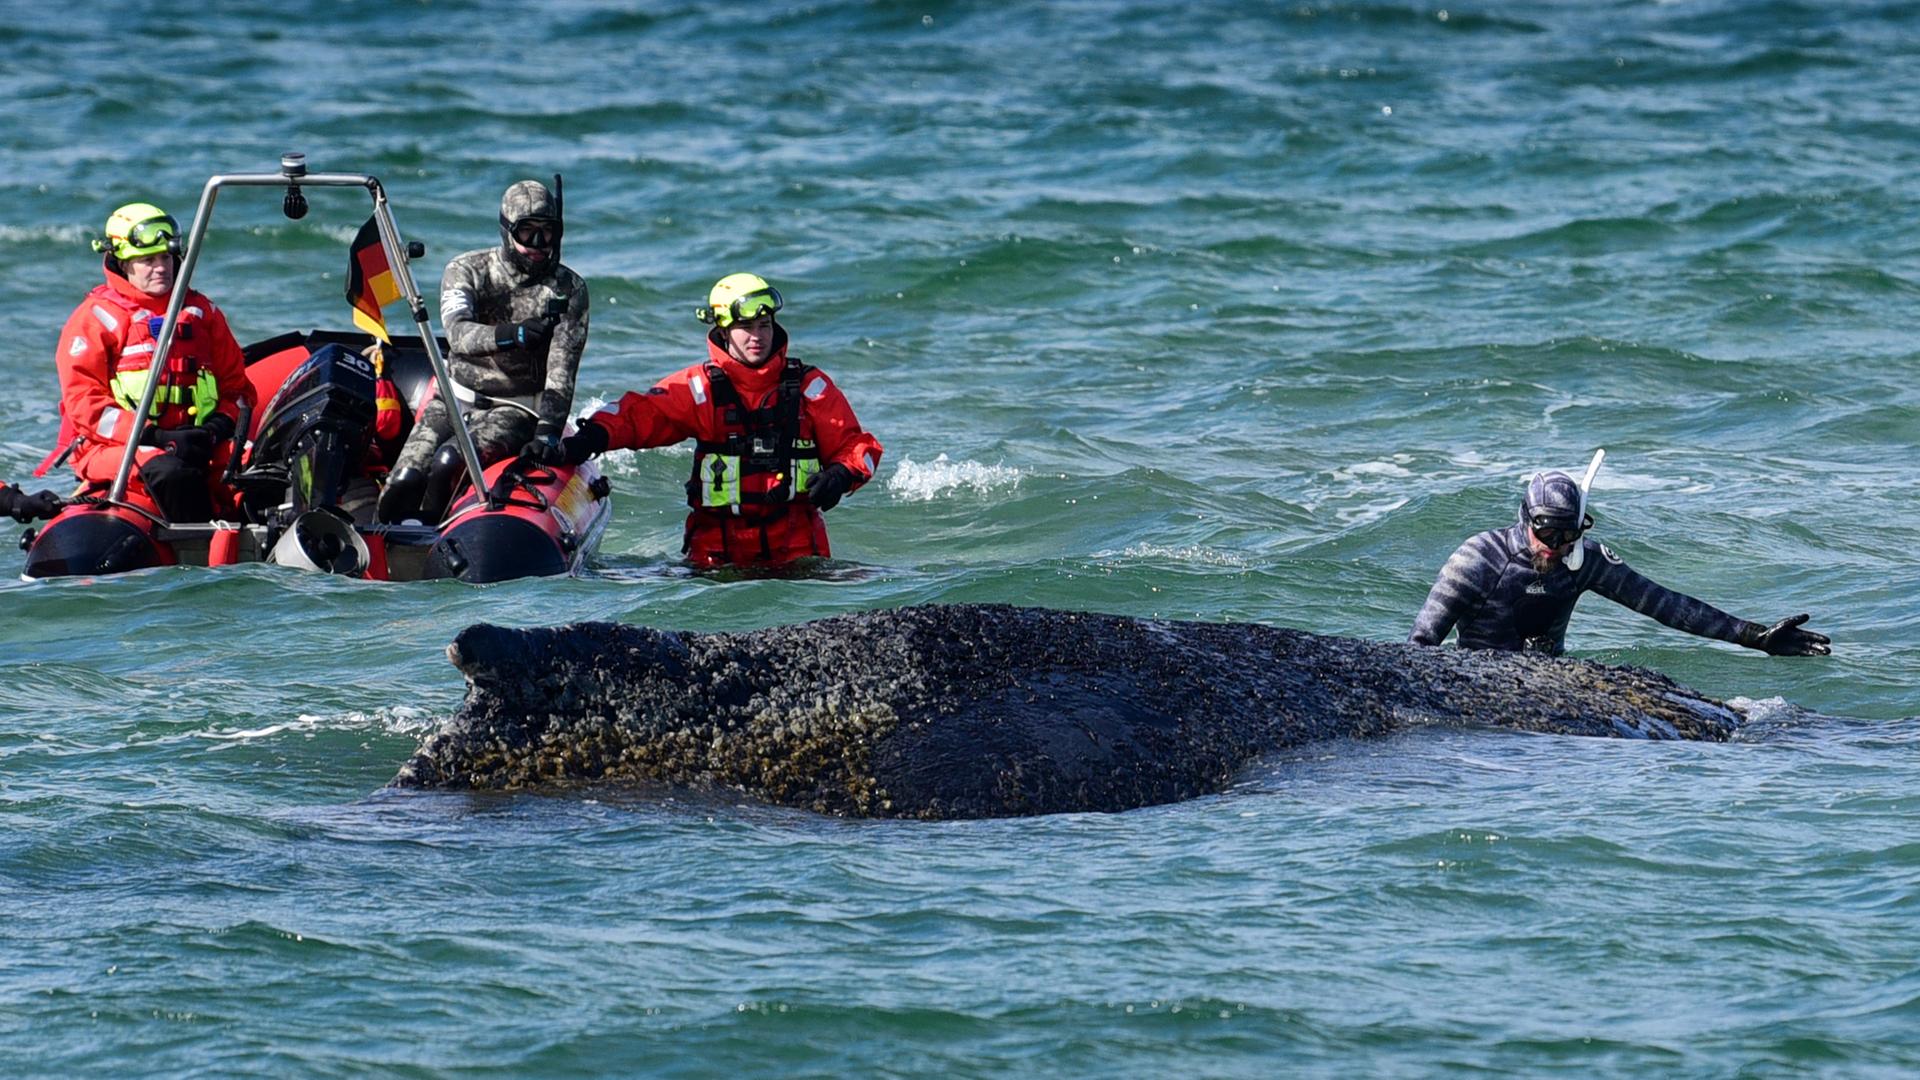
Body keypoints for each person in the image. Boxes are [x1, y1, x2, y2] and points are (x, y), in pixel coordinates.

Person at [560, 273, 882, 568]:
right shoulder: (699, 390)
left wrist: (841, 474)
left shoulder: (810, 388)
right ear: (724, 330)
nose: (757, 336)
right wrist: (592, 437)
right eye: (746, 327)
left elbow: (858, 446)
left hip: (799, 558)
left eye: (765, 325)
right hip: (715, 561)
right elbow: (639, 415)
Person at [1409, 467, 1830, 656]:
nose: (1556, 546)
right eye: (1546, 533)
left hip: (1550, 678)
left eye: (1569, 534)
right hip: (1479, 676)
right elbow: (1421, 644)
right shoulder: (1478, 558)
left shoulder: (1582, 561)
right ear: (1525, 520)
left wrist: (1754, 637)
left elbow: (1665, 604)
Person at [377, 178, 589, 523]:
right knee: (404, 481)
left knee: (448, 463)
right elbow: (458, 334)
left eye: (547, 232)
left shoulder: (568, 289)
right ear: (507, 231)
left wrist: (548, 432)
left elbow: (562, 368)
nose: (538, 244)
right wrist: (512, 334)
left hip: (517, 408)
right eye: (527, 232)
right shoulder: (466, 270)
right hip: (452, 400)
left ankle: (436, 541)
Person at [52, 202, 252, 523]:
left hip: (198, 440)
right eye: (147, 260)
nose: (161, 268)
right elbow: (85, 407)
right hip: (116, 446)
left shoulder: (202, 313)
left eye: (165, 258)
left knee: (262, 466)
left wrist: (215, 430)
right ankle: (199, 543)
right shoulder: (95, 319)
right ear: (123, 264)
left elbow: (237, 389)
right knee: (171, 473)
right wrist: (155, 437)